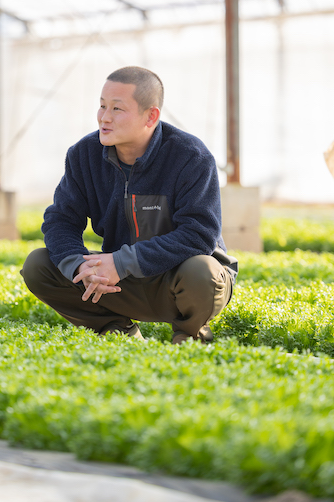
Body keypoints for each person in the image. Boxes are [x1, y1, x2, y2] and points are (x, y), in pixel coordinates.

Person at [21, 66, 237, 344]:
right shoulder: (83, 155)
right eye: (101, 106)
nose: (104, 117)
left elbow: (199, 235)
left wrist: (122, 263)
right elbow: (60, 220)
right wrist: (80, 268)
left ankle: (190, 336)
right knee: (38, 264)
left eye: (117, 109)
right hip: (120, 281)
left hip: (179, 279)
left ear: (151, 116)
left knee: (202, 271)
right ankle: (117, 329)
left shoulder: (190, 157)